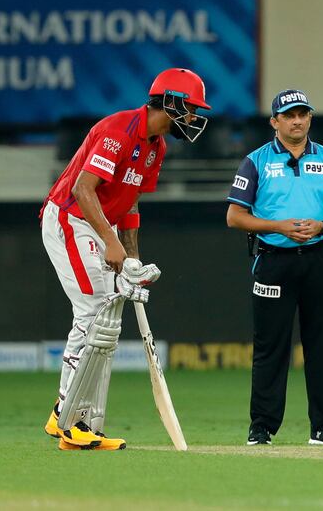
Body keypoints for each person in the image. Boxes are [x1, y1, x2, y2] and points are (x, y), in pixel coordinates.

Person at [40, 68, 211, 450]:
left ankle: (67, 416)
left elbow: (130, 201)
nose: (193, 118)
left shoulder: (156, 147)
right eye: (190, 109)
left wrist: (131, 258)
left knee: (106, 319)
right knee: (94, 311)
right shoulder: (118, 132)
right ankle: (72, 422)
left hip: (100, 225)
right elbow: (84, 190)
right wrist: (109, 241)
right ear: (169, 102)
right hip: (71, 218)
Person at [226, 89, 323, 446]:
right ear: (275, 121)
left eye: (303, 114)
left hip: (319, 259)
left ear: (310, 118)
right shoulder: (255, 161)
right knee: (271, 347)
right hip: (273, 260)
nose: (297, 120)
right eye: (289, 115)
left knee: (322, 345)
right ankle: (262, 426)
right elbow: (234, 216)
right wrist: (279, 226)